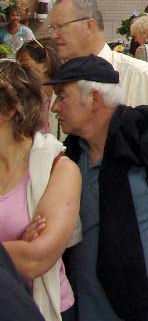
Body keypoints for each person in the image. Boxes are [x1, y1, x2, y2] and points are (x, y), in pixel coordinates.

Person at [48, 55, 148, 321]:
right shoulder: (71, 158)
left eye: (62, 96)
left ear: (94, 99)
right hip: (87, 311)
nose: (54, 107)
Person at [0, 59, 80, 321]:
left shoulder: (57, 168)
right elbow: (24, 255)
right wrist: (16, 248)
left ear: (10, 109)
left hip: (35, 309)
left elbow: (37, 258)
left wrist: (17, 250)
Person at [47, 0, 148, 128]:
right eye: (52, 28)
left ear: (89, 25)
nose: (54, 35)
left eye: (60, 27)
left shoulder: (136, 74)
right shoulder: (63, 78)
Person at [16, 38, 63, 137]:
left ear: (45, 65)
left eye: (24, 65)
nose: (20, 71)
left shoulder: (66, 97)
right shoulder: (24, 99)